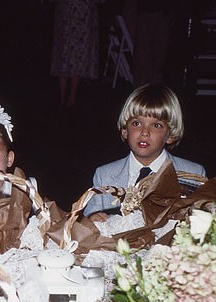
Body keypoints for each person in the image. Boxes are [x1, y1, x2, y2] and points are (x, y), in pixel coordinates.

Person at [84, 84, 206, 220]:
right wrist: (92, 220)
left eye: (156, 125)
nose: (145, 132)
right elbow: (87, 221)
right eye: (136, 123)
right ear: (125, 130)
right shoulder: (104, 175)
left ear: (170, 135)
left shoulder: (192, 174)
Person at [50, 0, 100, 109]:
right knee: (63, 52)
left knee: (78, 53)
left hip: (82, 13)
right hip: (66, 12)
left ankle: (71, 97)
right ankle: (62, 98)